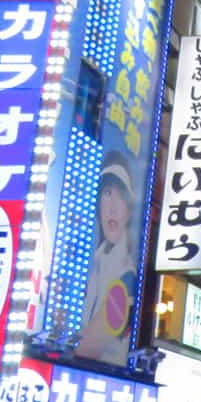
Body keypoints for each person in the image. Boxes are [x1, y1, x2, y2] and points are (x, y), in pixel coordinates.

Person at [77, 152, 138, 362]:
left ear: (129, 211)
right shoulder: (95, 262)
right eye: (107, 193)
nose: (112, 206)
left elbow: (87, 348)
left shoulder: (126, 276)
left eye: (121, 196)